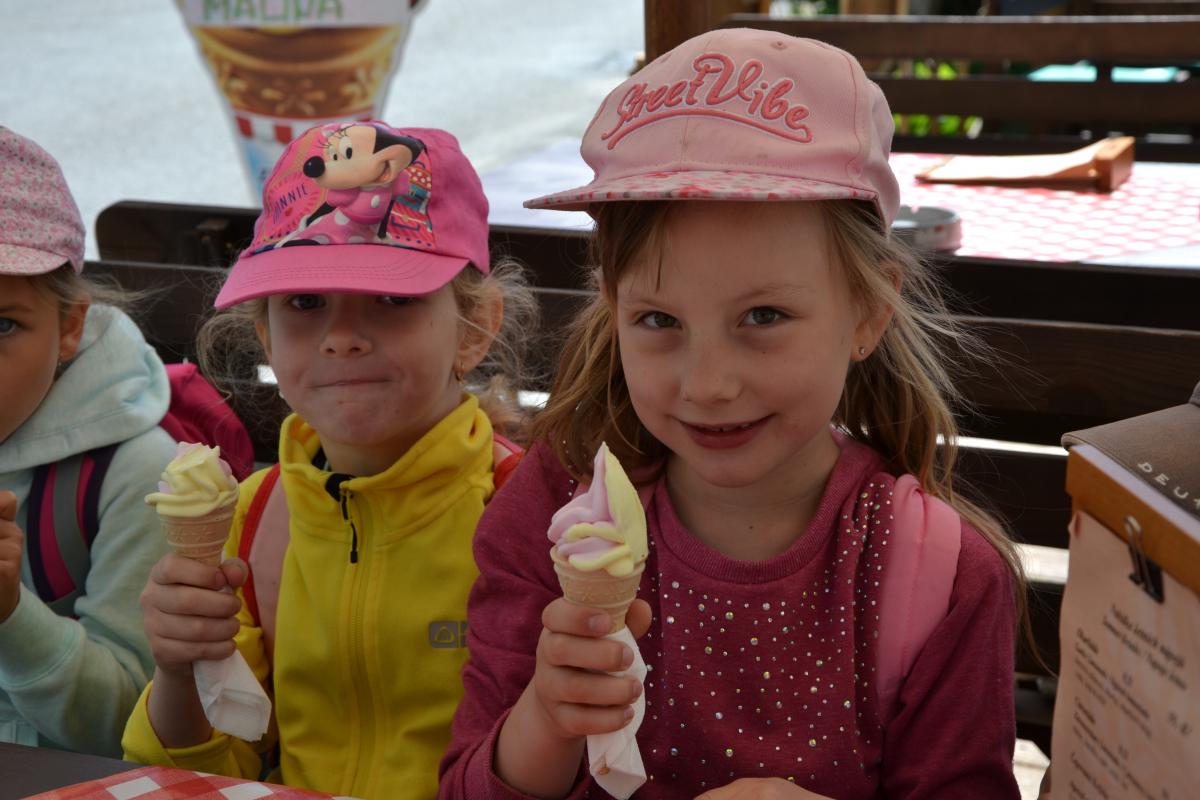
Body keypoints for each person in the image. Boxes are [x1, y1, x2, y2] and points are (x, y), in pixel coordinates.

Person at [439, 29, 1026, 800]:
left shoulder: (941, 577)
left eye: (763, 317)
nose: (708, 384)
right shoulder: (552, 516)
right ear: (613, 307)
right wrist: (547, 718)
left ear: (868, 311)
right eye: (658, 320)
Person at [122, 120, 536, 799]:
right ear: (266, 337)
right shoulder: (253, 516)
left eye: (393, 299)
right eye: (305, 303)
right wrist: (178, 665)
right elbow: (211, 770)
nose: (342, 337)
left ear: (475, 329)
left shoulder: (527, 515)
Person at [0, 127, 175, 756]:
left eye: (2, 326)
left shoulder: (136, 475)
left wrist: (10, 614)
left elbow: (130, 722)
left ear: (69, 327)